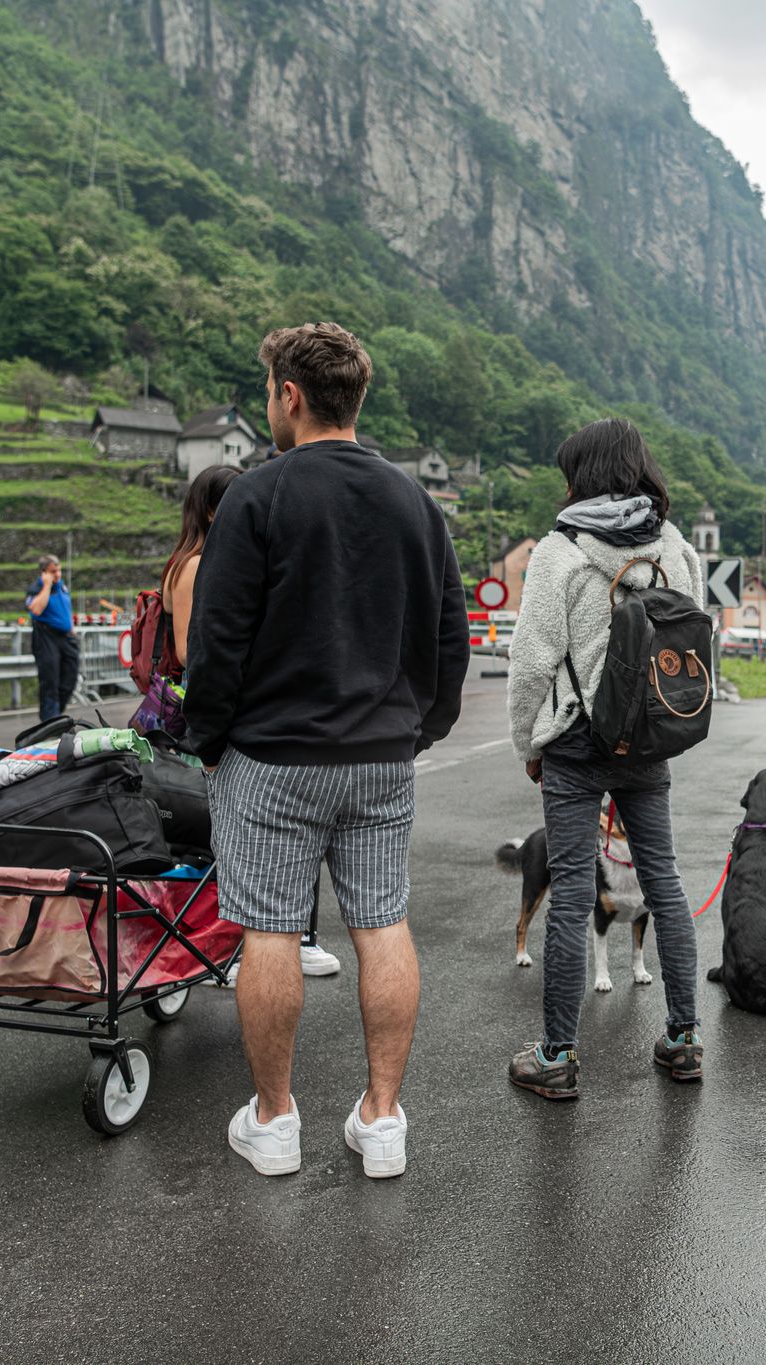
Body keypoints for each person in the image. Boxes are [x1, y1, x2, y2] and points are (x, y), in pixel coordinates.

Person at [184, 322, 468, 1179]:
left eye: (269, 389)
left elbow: (218, 640)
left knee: (268, 927)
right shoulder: (418, 503)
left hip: (273, 755)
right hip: (382, 756)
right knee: (382, 922)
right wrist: (418, 728)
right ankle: (382, 1120)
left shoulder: (258, 497)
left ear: (291, 396)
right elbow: (449, 642)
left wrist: (208, 739)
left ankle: (275, 1121)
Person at [504, 417, 708, 1100]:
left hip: (575, 745)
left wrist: (527, 742)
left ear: (582, 476)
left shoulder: (560, 552)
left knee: (569, 894)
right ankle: (683, 1040)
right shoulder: (676, 550)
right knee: (665, 882)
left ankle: (557, 1055)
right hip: (650, 741)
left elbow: (531, 664)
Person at [159, 465, 344, 981]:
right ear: (217, 508)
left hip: (231, 708)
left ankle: (270, 942)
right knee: (245, 835)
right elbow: (188, 650)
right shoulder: (197, 565)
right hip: (220, 710)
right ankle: (252, 947)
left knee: (254, 833)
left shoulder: (211, 557)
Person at [25, 555, 78, 723]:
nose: (58, 574)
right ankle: (50, 722)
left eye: (59, 570)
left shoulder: (63, 587)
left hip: (65, 638)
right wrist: (46, 585)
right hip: (46, 637)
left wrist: (71, 628)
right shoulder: (37, 588)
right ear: (44, 572)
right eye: (53, 572)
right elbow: (36, 610)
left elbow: (66, 609)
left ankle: (55, 716)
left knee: (70, 678)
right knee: (50, 681)